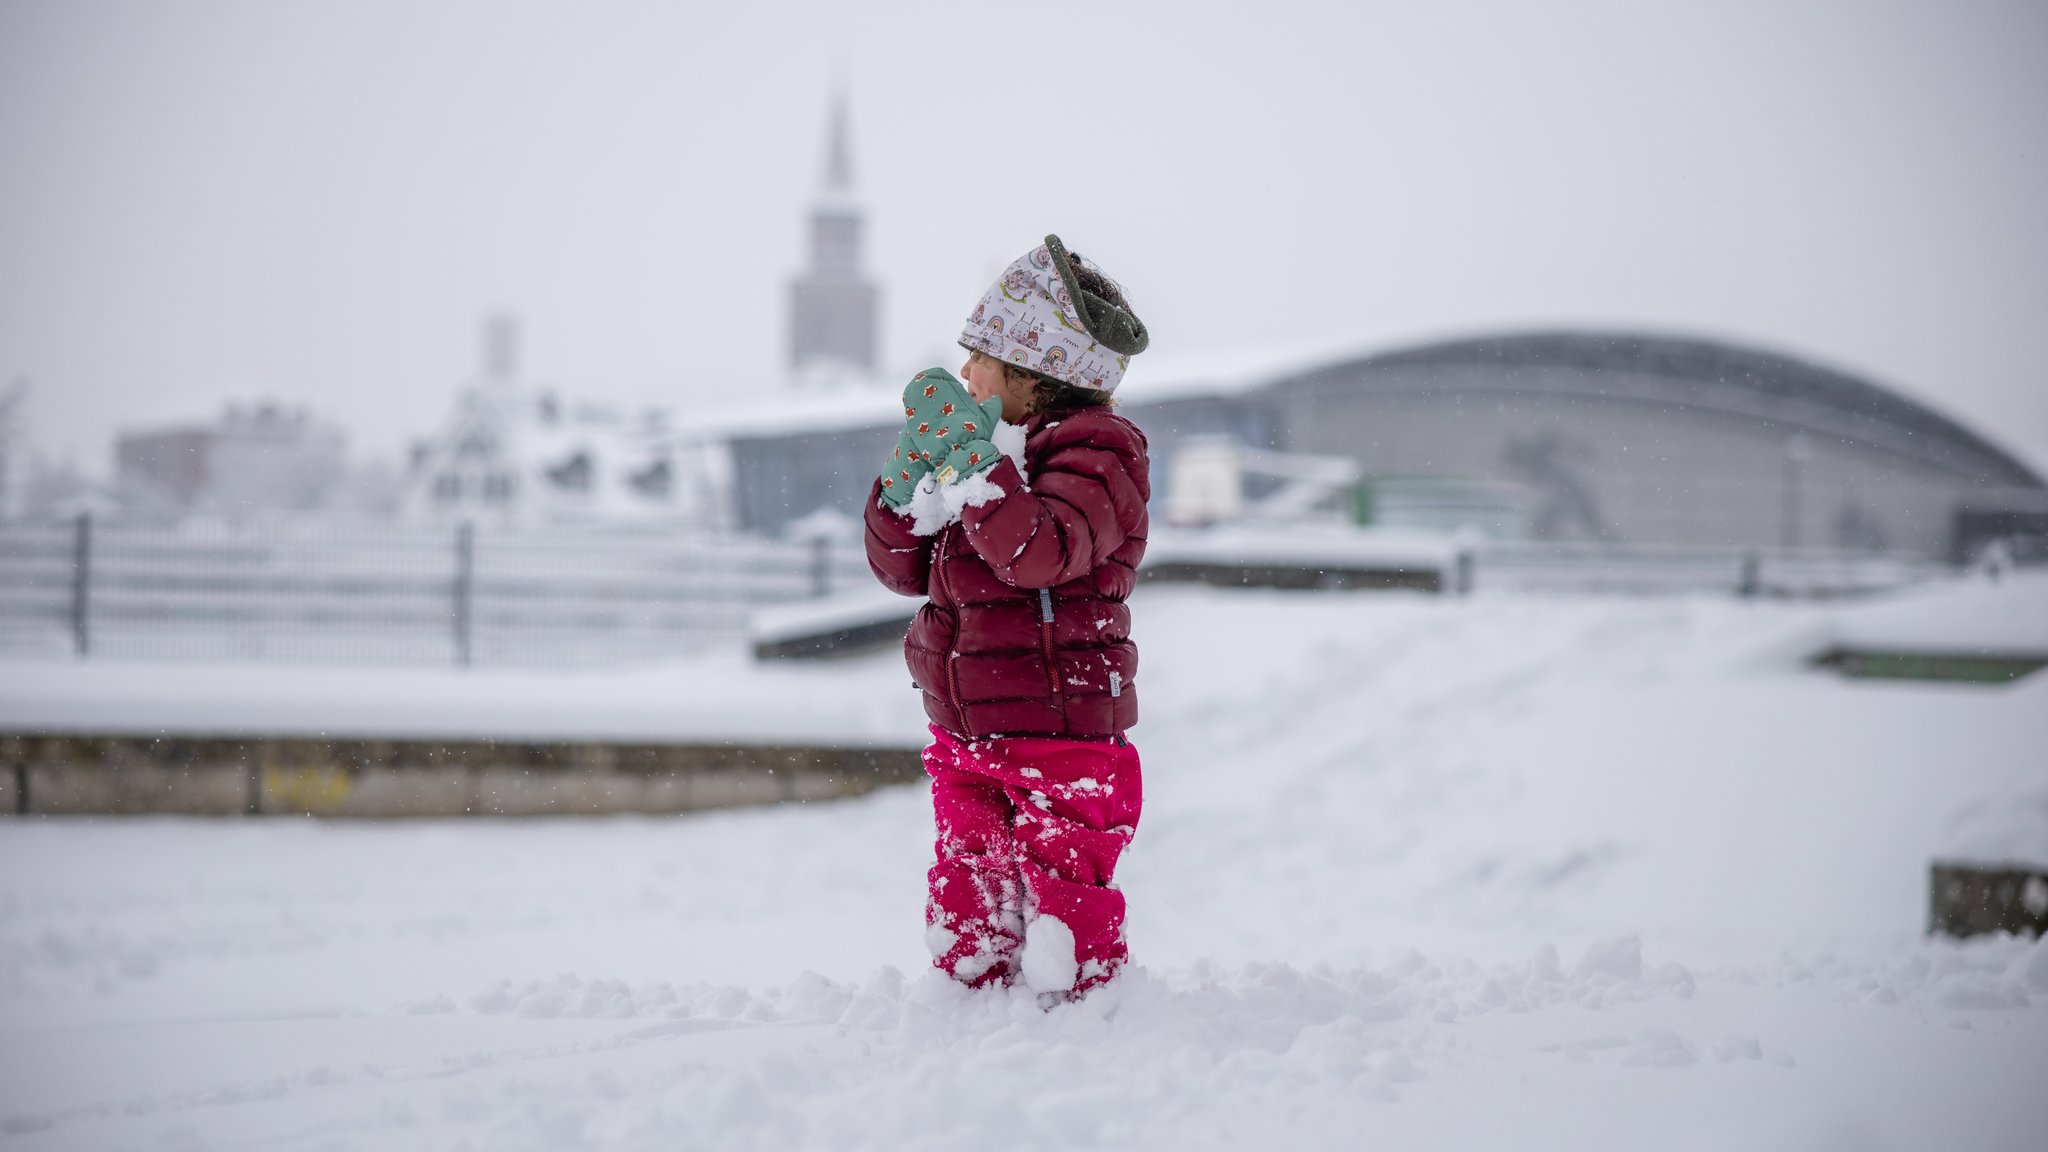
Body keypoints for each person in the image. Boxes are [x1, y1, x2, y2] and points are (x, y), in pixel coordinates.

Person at [864, 235, 1151, 999]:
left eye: (979, 356)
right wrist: (903, 490)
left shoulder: (1102, 454)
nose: (964, 375)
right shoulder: (990, 451)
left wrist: (971, 462)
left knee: (1066, 895)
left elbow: (1039, 552)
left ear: (1036, 373)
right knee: (969, 881)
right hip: (967, 729)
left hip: (1063, 734)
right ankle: (968, 997)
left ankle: (1083, 1009)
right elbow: (904, 572)